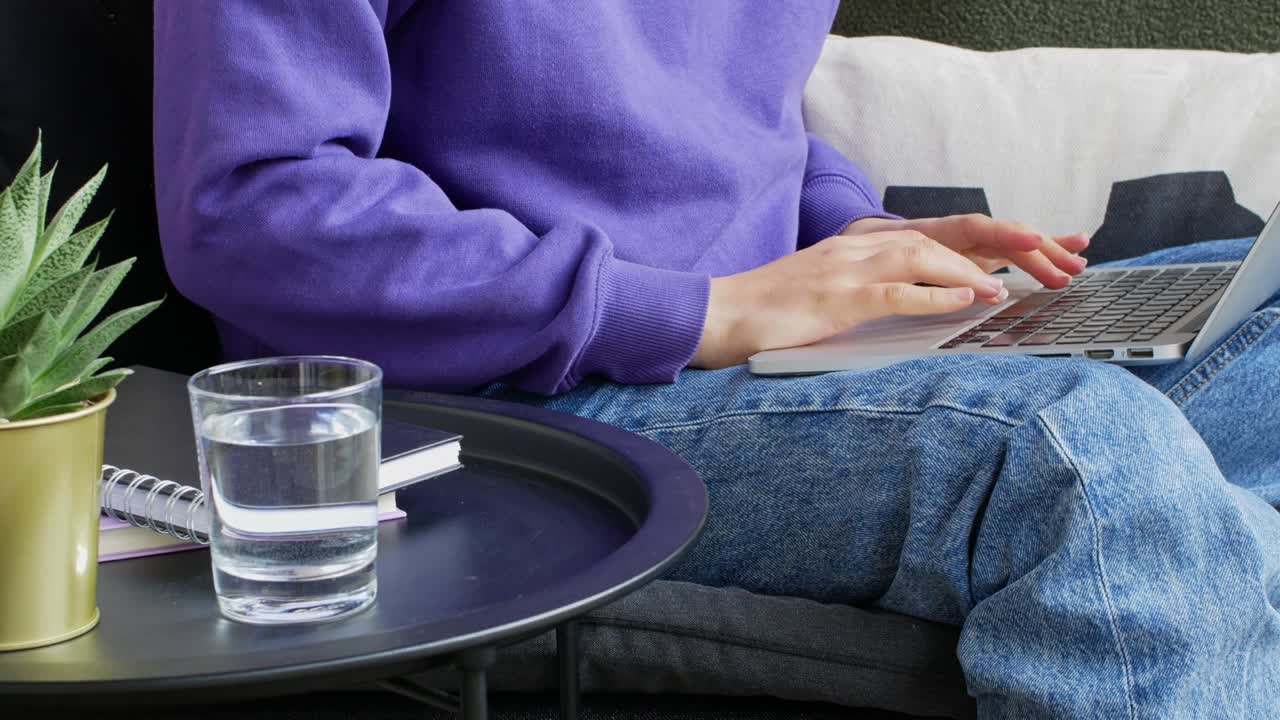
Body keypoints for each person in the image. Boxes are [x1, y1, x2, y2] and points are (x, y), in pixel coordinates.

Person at [152, 2, 1280, 717]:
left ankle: (1172, 585)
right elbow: (255, 201)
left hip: (768, 351)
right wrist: (687, 310)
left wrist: (855, 234)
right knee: (1075, 452)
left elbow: (746, 125)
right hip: (491, 414)